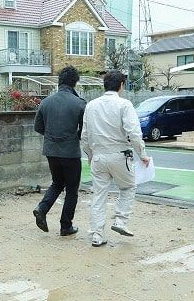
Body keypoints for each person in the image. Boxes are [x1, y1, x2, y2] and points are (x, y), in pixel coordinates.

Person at [80, 70, 150, 247]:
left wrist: (90, 155)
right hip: (120, 155)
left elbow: (85, 136)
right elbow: (134, 133)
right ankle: (120, 220)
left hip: (98, 156)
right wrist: (143, 155)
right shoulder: (124, 105)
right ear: (121, 85)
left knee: (99, 196)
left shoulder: (91, 105)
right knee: (127, 187)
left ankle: (96, 235)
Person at [32, 65, 86, 236]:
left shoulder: (46, 102)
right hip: (70, 152)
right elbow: (84, 131)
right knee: (71, 189)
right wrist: (73, 136)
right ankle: (65, 226)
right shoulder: (79, 103)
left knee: (57, 183)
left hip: (50, 150)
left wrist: (51, 136)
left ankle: (42, 208)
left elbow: (38, 127)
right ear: (74, 83)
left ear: (59, 82)